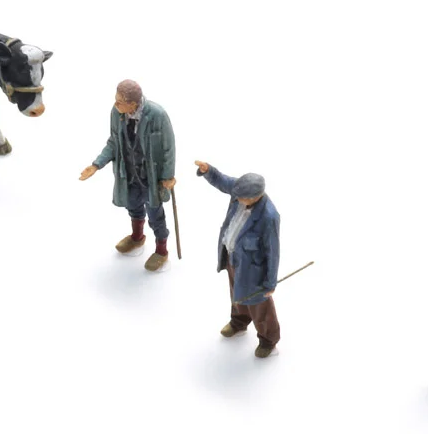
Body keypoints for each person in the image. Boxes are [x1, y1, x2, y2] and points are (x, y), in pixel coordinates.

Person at [79, 80, 176, 272]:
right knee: (133, 205)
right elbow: (113, 142)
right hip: (129, 174)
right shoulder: (117, 113)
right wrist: (96, 164)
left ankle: (161, 250)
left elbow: (169, 148)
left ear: (132, 103)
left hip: (151, 176)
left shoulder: (157, 115)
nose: (115, 105)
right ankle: (137, 237)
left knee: (155, 214)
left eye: (119, 102)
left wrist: (168, 176)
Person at [195, 160, 281, 358]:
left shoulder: (269, 216)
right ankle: (239, 322)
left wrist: (270, 282)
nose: (237, 199)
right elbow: (222, 181)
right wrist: (208, 171)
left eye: (242, 198)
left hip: (254, 270)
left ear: (255, 197)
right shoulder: (239, 191)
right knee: (236, 293)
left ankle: (268, 339)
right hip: (233, 258)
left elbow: (273, 251)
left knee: (259, 306)